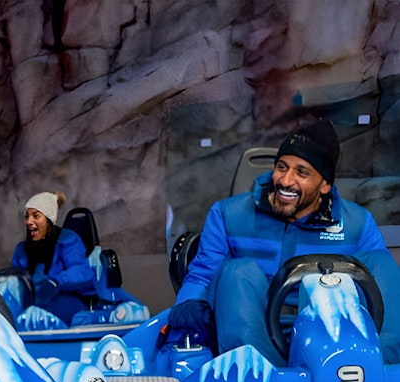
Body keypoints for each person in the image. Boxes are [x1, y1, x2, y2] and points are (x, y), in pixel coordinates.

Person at [169, 120, 400, 366]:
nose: (286, 181)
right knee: (237, 272)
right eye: (282, 167)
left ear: (324, 185)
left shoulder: (357, 224)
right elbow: (202, 276)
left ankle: (383, 371)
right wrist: (189, 305)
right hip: (252, 336)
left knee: (379, 263)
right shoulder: (227, 215)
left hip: (329, 338)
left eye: (302, 172)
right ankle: (259, 378)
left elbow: (381, 290)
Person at [0, 191, 97, 327]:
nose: (29, 222)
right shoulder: (22, 250)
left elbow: (83, 272)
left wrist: (55, 282)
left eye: (36, 216)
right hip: (35, 302)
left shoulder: (67, 240)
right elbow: (17, 280)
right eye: (27, 217)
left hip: (68, 301)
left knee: (32, 316)